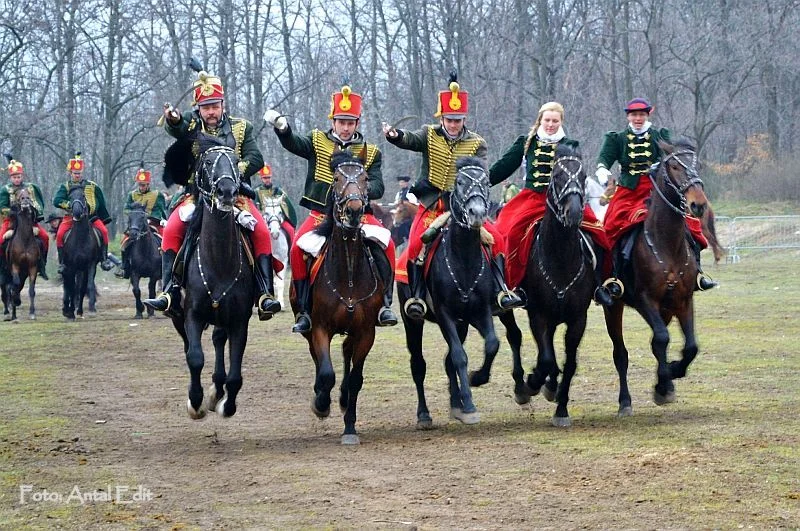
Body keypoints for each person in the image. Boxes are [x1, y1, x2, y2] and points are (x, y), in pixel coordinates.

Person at [143, 69, 281, 320]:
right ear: (198, 108)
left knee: (262, 232)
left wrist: (232, 173)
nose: (211, 112)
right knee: (172, 228)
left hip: (235, 196)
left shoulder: (242, 127)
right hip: (197, 196)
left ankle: (264, 294)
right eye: (206, 107)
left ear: (222, 105)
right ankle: (169, 291)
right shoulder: (191, 126)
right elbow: (177, 127)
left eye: (215, 106)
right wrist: (174, 119)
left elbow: (256, 158)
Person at [382, 73, 523, 319]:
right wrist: (396, 136)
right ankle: (417, 296)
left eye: (457, 120)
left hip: (464, 207)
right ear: (442, 118)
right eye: (449, 120)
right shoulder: (428, 134)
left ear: (464, 119)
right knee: (415, 245)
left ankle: (501, 290)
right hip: (433, 206)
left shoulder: (477, 143)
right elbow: (410, 140)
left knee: (498, 240)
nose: (454, 125)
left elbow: (481, 173)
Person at [265, 83, 398, 332]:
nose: (345, 128)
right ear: (333, 121)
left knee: (388, 244)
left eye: (350, 123)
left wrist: (358, 191)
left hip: (359, 215)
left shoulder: (371, 153)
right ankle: (304, 309)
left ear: (357, 123)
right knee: (296, 249)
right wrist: (283, 128)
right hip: (320, 215)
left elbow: (378, 186)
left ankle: (385, 304)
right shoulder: (317, 141)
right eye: (341, 122)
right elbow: (294, 143)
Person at [489, 101, 612, 306]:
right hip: (533, 198)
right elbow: (505, 166)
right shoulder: (527, 142)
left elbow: (576, 172)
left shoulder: (570, 144)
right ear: (540, 120)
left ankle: (599, 284)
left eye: (555, 121)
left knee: (598, 232)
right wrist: (484, 181)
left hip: (564, 199)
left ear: (561, 121)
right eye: (547, 120)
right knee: (509, 231)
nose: (550, 125)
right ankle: (512, 286)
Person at [595, 97, 717, 298]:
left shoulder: (660, 135)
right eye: (634, 115)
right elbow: (603, 160)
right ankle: (613, 278)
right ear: (628, 116)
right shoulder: (617, 138)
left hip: (657, 190)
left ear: (647, 115)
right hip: (628, 191)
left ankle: (697, 273)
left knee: (690, 224)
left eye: (641, 115)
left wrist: (660, 166)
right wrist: (604, 174)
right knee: (611, 227)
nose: (638, 119)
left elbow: (670, 158)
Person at [53, 152, 114, 273]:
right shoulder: (66, 186)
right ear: (71, 173)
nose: (77, 175)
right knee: (60, 235)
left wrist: (95, 211)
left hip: (90, 218)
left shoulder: (92, 186)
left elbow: (100, 201)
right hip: (71, 217)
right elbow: (57, 200)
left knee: (104, 231)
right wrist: (70, 205)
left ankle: (104, 259)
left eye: (79, 173)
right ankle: (62, 262)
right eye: (75, 173)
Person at [0, 156, 50, 279]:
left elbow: (38, 204)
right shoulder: (5, 190)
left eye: (18, 177)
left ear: (22, 176)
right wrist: (13, 212)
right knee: (0, 240)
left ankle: (42, 265)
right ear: (10, 177)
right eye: (14, 177)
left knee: (45, 237)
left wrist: (34, 211)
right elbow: (2, 207)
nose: (17, 179)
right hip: (11, 222)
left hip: (29, 221)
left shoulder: (31, 188)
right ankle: (2, 266)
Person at [115, 166, 167, 279]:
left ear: (148, 184)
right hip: (136, 224)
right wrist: (134, 215)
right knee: (124, 243)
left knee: (165, 241)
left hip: (153, 223)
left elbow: (161, 210)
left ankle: (166, 267)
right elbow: (126, 209)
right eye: (140, 185)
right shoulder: (132, 195)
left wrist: (150, 217)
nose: (141, 187)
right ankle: (124, 267)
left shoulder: (157, 195)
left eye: (143, 185)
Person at [253, 163, 298, 241]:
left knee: (290, 230)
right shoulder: (257, 192)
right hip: (264, 220)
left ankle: (291, 248)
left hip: (279, 219)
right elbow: (255, 208)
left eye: (269, 177)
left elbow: (286, 207)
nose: (267, 180)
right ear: (261, 179)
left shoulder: (279, 191)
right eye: (265, 178)